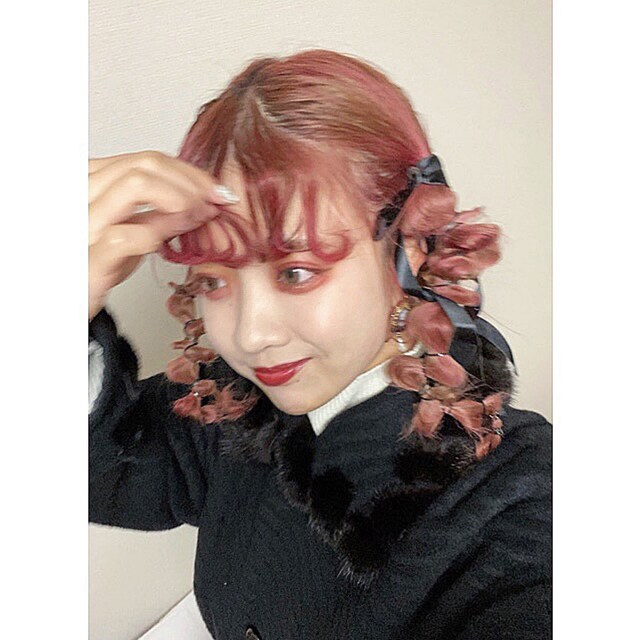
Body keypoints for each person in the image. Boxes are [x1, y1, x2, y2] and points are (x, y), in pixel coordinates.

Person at [89, 49, 551, 640]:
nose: (251, 337)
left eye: (296, 272)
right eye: (213, 282)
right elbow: (108, 467)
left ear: (408, 247)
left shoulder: (514, 504)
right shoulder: (227, 407)